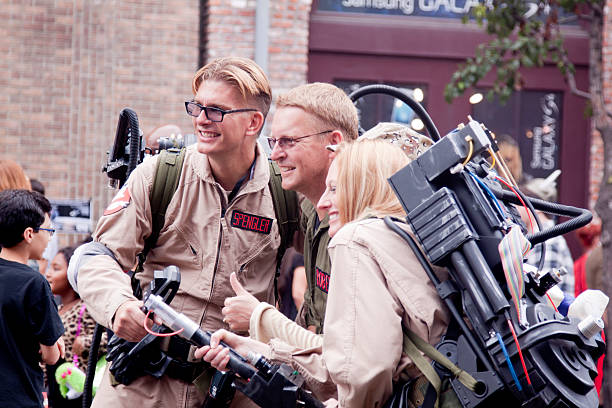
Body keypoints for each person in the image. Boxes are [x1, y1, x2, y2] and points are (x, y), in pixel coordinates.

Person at [69, 56, 289, 407]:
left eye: (216, 110)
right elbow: (95, 256)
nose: (201, 119)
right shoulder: (160, 175)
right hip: (142, 382)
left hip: (234, 390)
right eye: (197, 107)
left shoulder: (285, 193)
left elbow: (322, 289)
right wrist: (119, 306)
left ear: (253, 122)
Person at [196, 139, 449, 407]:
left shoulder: (355, 239)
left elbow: (361, 372)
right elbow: (345, 358)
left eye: (335, 188)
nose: (324, 203)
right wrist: (257, 351)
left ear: (363, 188)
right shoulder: (404, 236)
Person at [221, 82, 359, 336]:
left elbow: (348, 354)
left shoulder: (358, 225)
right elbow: (313, 320)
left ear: (334, 142)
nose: (274, 155)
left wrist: (260, 319)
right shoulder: (309, 210)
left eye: (289, 141)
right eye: (274, 141)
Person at [0, 189, 65, 407]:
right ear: (29, 234)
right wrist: (54, 343)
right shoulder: (34, 283)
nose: (49, 237)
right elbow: (51, 356)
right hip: (19, 397)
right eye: (48, 230)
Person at [45, 246, 107, 408]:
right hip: (57, 389)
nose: (48, 273)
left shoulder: (86, 308)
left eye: (56, 268)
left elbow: (111, 338)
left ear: (73, 272)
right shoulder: (57, 309)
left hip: (79, 392)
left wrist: (85, 343)